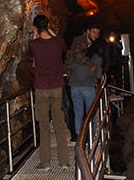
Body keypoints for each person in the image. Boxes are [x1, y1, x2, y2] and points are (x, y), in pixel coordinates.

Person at [27, 15, 71, 171]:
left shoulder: (34, 44)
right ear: (48, 26)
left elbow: (30, 54)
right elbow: (63, 47)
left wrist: (35, 33)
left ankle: (45, 162)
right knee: (59, 125)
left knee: (44, 125)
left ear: (36, 28)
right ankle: (64, 161)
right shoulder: (57, 42)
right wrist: (48, 29)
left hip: (41, 89)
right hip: (57, 87)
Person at [65, 20, 102, 134]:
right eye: (94, 32)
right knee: (89, 110)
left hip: (75, 82)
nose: (96, 35)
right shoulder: (79, 42)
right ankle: (90, 133)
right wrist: (91, 66)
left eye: (98, 33)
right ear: (88, 31)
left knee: (79, 110)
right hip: (82, 83)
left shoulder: (91, 45)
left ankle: (79, 133)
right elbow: (78, 54)